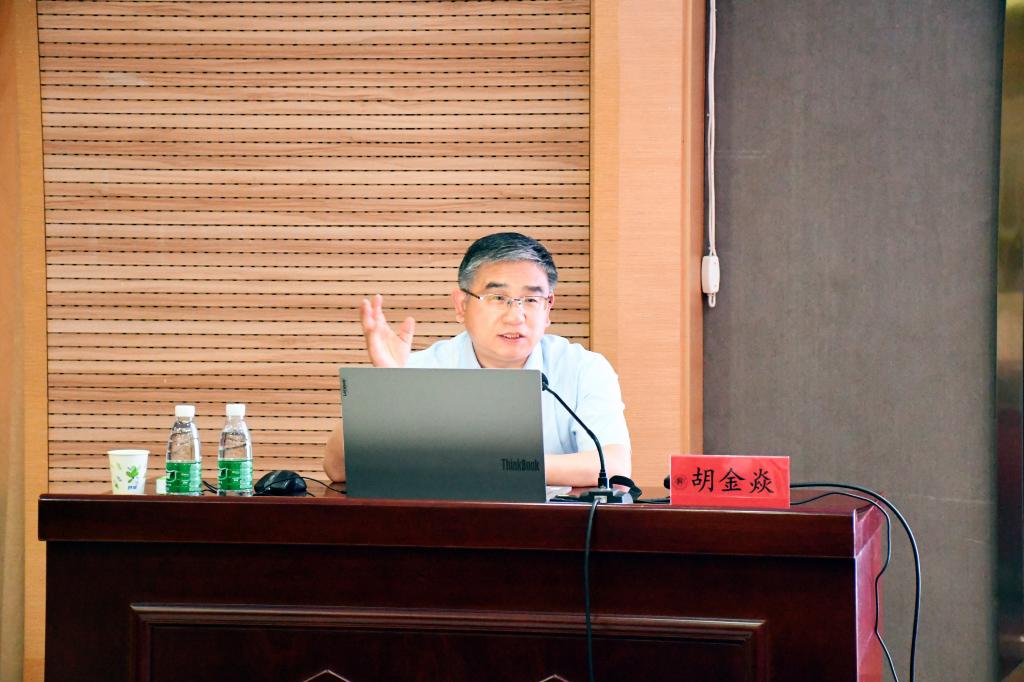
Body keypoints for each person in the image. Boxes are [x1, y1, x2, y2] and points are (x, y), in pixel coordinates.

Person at [323, 232, 631, 486]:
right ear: (461, 306)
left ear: (548, 308)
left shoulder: (582, 369)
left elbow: (614, 467)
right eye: (498, 298)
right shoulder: (421, 370)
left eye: (531, 299)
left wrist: (490, 465)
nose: (516, 316)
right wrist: (385, 386)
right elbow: (338, 468)